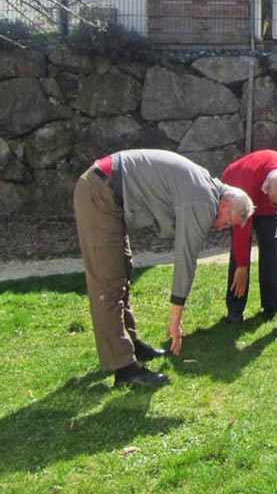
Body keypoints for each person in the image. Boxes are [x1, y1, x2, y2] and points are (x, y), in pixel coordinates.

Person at [73, 149, 255, 387]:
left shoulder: (205, 188)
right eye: (226, 223)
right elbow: (185, 259)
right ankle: (125, 370)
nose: (220, 228)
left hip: (107, 189)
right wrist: (175, 320)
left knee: (121, 273)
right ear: (225, 205)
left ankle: (132, 347)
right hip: (100, 192)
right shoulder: (203, 200)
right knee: (108, 285)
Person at [221, 150, 277, 323]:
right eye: (276, 204)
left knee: (271, 247)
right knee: (238, 259)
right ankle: (235, 311)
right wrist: (243, 266)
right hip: (239, 194)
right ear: (267, 191)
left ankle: (273, 304)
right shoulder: (246, 180)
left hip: (263, 201)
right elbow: (241, 231)